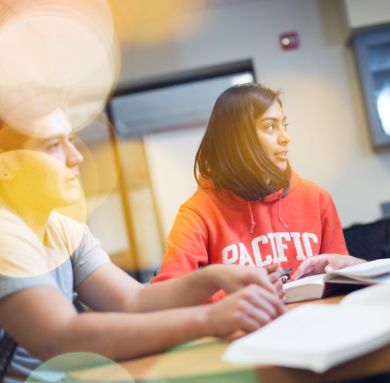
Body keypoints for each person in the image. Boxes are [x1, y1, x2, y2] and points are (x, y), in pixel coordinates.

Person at [0, 93, 285, 382]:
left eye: (70, 140)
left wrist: (213, 276)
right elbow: (60, 337)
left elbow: (133, 301)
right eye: (52, 145)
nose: (76, 157)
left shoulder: (62, 230)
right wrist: (210, 319)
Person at [152, 83, 357, 290]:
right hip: (245, 323)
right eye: (270, 127)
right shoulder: (198, 212)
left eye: (284, 126)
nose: (286, 138)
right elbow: (168, 294)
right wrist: (233, 295)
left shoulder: (316, 197)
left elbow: (344, 279)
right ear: (238, 138)